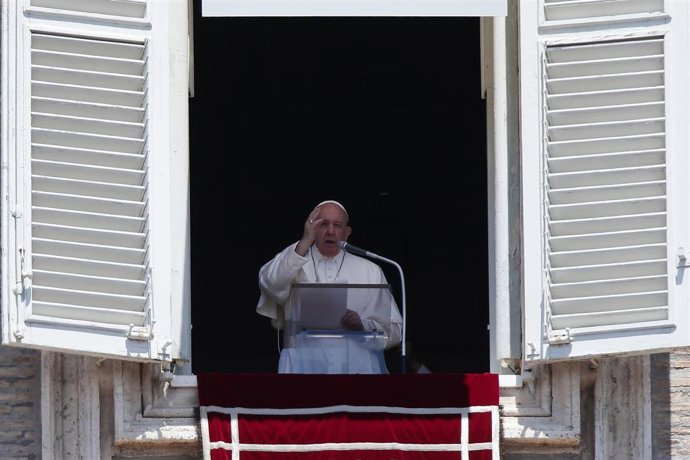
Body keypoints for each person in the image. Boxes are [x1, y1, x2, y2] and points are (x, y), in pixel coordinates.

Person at [256, 199, 403, 374]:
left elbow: (395, 330)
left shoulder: (370, 270)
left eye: (337, 225)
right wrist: (304, 242)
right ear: (311, 228)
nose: (331, 231)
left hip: (358, 368)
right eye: (323, 224)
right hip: (303, 367)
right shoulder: (294, 258)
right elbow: (270, 283)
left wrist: (362, 325)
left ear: (347, 232)